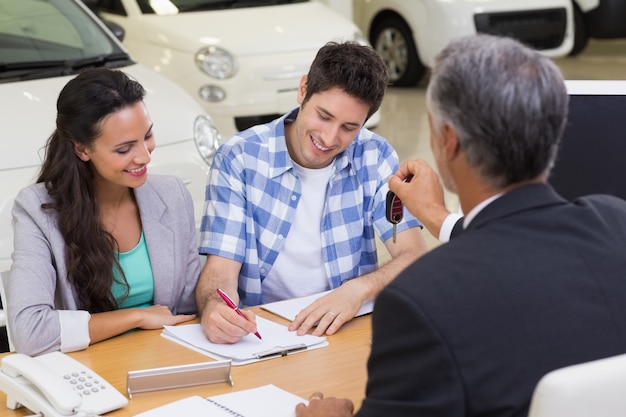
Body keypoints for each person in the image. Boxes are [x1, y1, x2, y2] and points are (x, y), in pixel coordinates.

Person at [295, 34, 626, 417]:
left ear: (447, 141)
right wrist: (437, 215)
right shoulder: (616, 222)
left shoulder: (419, 301)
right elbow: (519, 242)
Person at [196, 41, 427, 343]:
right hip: (262, 334)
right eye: (324, 116)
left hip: (344, 327)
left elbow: (413, 255)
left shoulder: (375, 155)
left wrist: (356, 290)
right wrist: (215, 307)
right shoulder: (239, 157)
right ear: (303, 89)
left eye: (349, 127)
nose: (329, 138)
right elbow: (220, 271)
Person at [7, 68, 200, 356]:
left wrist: (218, 304)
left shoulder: (171, 195)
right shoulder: (37, 210)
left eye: (147, 135)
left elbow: (191, 302)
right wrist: (137, 316)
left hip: (166, 357)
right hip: (89, 372)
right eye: (124, 149)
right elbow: (30, 332)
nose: (145, 156)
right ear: (82, 149)